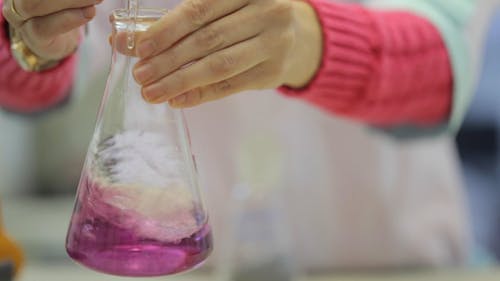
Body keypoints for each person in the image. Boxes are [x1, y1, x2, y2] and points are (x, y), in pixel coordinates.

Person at [0, 0, 496, 270]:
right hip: (182, 263)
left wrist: (312, 41)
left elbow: (444, 68)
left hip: (381, 260)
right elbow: (41, 79)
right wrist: (28, 37)